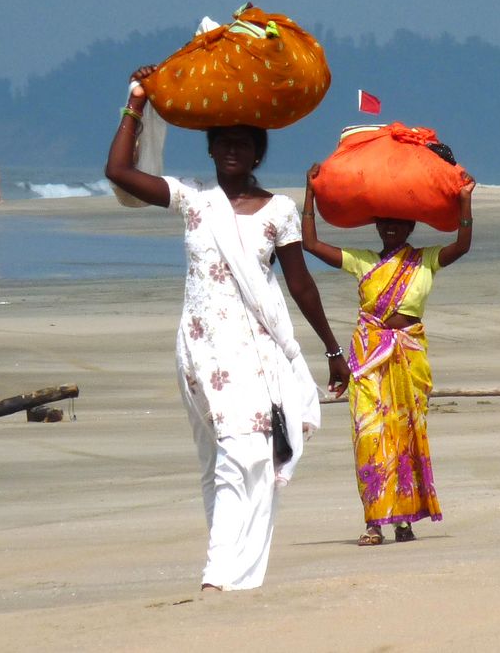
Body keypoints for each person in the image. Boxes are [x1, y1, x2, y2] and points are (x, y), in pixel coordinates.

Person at [105, 65, 350, 591]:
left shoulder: (279, 211)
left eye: (244, 143)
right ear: (212, 150)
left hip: (252, 349)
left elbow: (301, 285)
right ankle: (231, 572)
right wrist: (137, 101)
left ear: (258, 153)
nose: (233, 151)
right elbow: (119, 173)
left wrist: (332, 349)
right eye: (224, 143)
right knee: (217, 455)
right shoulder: (194, 199)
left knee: (247, 452)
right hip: (199, 347)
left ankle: (219, 574)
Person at [302, 161, 475, 546]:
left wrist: (465, 201)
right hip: (367, 358)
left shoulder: (425, 260)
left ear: (412, 226)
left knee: (405, 435)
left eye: (399, 222)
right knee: (370, 435)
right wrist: (310, 193)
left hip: (408, 358)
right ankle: (373, 523)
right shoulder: (364, 261)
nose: (391, 228)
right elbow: (311, 246)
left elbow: (462, 246)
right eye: (385, 222)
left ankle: (404, 522)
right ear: (377, 225)